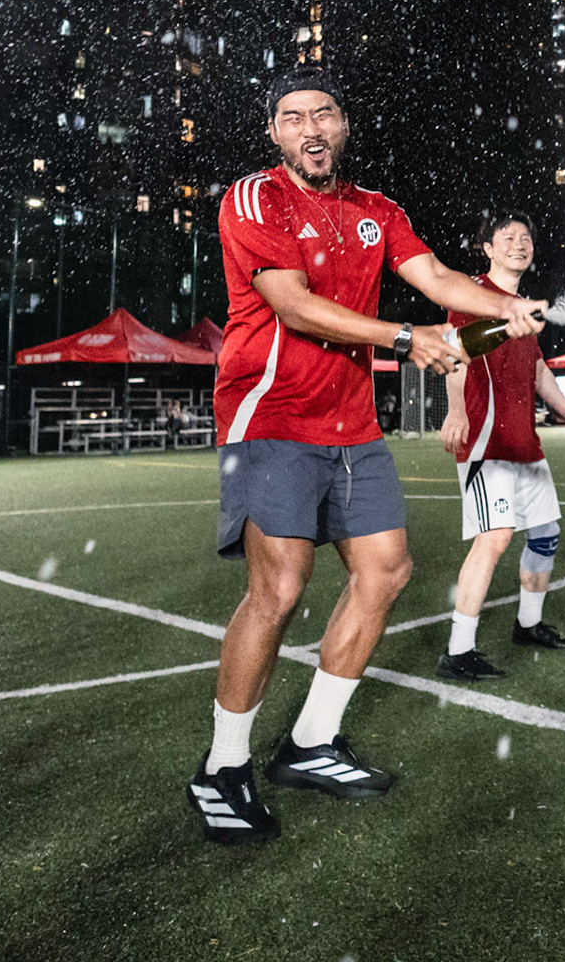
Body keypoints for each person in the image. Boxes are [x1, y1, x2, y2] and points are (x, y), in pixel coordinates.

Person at [186, 68, 544, 845]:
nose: (310, 129)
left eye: (323, 114)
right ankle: (221, 767)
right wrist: (403, 338)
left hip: (350, 426)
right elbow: (291, 303)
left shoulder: (378, 212)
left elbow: (441, 279)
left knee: (385, 571)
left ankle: (312, 742)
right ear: (275, 134)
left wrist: (507, 307)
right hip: (271, 415)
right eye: (292, 118)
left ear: (343, 126)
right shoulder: (256, 199)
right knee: (278, 589)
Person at [436, 213, 565, 682]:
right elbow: (454, 352)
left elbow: (537, 372)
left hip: (523, 441)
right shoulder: (473, 294)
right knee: (494, 538)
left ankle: (528, 624)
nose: (518, 243)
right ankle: (458, 650)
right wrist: (456, 410)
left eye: (525, 237)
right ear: (487, 249)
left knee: (545, 533)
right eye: (507, 237)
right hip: (486, 441)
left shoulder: (526, 308)